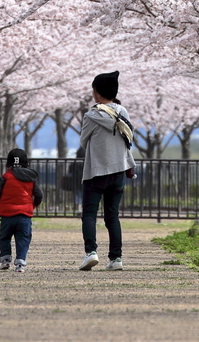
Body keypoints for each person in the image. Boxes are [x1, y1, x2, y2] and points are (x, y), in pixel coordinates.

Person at [76, 70, 134, 271]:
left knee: (89, 214)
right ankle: (116, 258)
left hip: (96, 172)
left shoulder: (92, 115)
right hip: (119, 170)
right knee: (112, 215)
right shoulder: (122, 112)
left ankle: (91, 252)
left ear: (97, 93)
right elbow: (127, 141)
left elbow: (83, 141)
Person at [0, 147, 43, 271]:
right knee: (23, 238)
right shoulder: (31, 179)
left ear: (9, 164)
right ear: (26, 163)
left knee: (4, 238)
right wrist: (33, 205)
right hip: (24, 215)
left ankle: (5, 260)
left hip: (7, 215)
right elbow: (39, 195)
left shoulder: (5, 177)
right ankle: (20, 263)